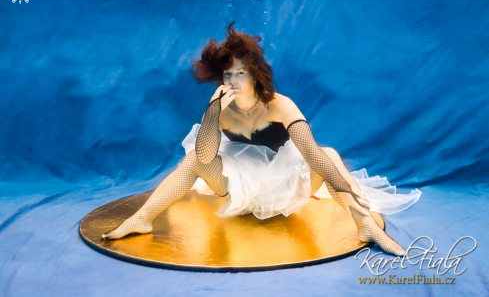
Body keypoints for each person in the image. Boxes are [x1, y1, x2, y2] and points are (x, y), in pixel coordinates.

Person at [101, 22, 421, 257]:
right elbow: (205, 153)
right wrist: (212, 113)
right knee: (194, 159)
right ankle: (142, 218)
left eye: (240, 73)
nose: (233, 80)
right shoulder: (221, 106)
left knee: (331, 155)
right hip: (239, 188)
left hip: (287, 188)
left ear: (255, 75)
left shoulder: (280, 104)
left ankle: (365, 224)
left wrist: (345, 188)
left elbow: (312, 154)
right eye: (227, 74)